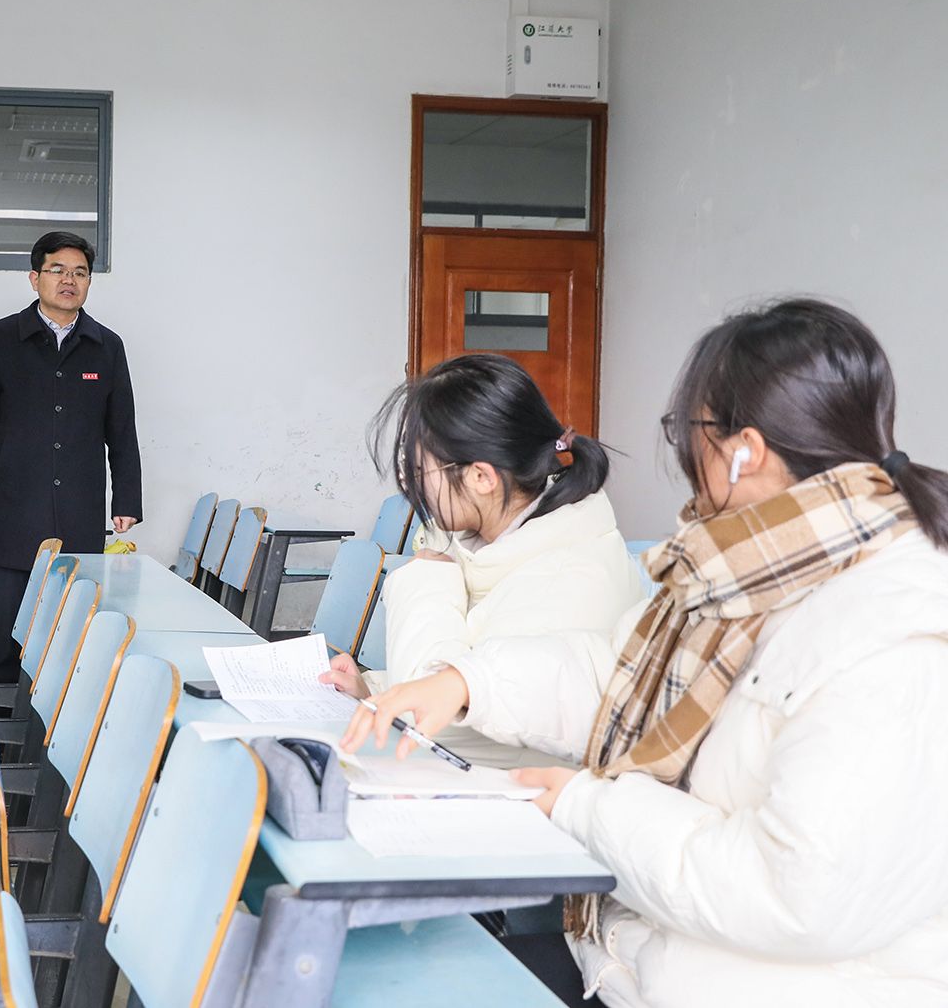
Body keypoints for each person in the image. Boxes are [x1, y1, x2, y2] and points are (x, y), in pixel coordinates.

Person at [343, 299, 948, 1006]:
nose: (683, 458)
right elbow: (619, 673)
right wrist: (467, 681)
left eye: (686, 431)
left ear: (744, 451)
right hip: (635, 954)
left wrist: (586, 808)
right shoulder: (751, 565)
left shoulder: (890, 632)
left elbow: (797, 896)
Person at [321, 354, 641, 767]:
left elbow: (442, 725)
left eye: (418, 470)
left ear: (482, 478)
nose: (410, 485)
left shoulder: (570, 577)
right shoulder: (499, 537)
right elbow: (470, 676)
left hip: (521, 795)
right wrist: (375, 690)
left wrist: (426, 583)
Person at [0, 231, 141, 682]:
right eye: (57, 270)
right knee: (13, 621)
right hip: (14, 505)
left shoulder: (107, 346)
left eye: (80, 273)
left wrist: (127, 501)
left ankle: (58, 712)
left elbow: (122, 429)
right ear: (35, 278)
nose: (68, 280)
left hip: (79, 507)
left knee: (70, 625)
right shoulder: (1, 338)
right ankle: (4, 706)